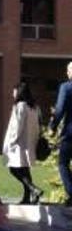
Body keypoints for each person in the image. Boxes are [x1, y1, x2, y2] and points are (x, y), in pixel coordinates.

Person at [3, 82, 44, 205]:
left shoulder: (20, 106)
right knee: (25, 170)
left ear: (19, 92)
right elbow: (40, 124)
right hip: (30, 142)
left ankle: (33, 189)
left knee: (13, 169)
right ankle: (28, 197)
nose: (13, 93)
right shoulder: (35, 107)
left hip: (19, 144)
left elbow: (17, 126)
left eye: (14, 90)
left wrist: (11, 141)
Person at [49, 61, 72, 207]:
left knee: (63, 163)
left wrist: (53, 126)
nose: (68, 72)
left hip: (70, 133)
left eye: (69, 70)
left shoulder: (66, 87)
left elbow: (59, 109)